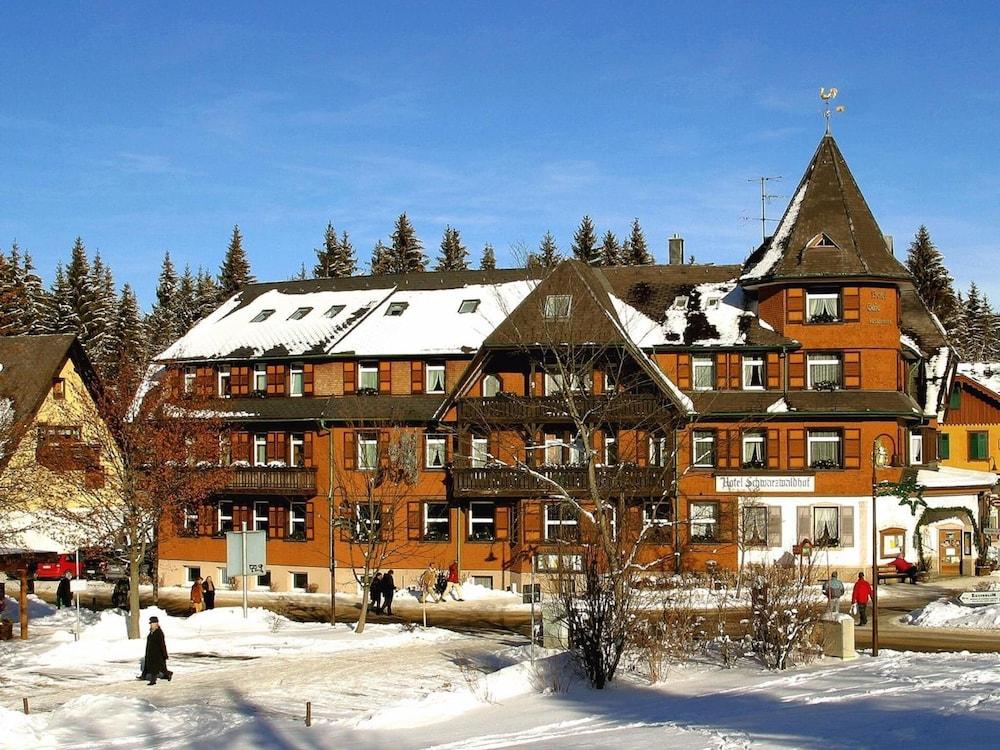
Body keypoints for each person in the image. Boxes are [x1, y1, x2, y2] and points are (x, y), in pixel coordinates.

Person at [139, 616, 172, 685]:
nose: (151, 624)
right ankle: (143, 676)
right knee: (147, 666)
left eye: (152, 623)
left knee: (157, 668)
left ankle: (153, 681)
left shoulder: (159, 632)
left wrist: (165, 654)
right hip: (150, 653)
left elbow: (162, 644)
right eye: (150, 623)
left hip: (157, 655)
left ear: (156, 623)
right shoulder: (151, 632)